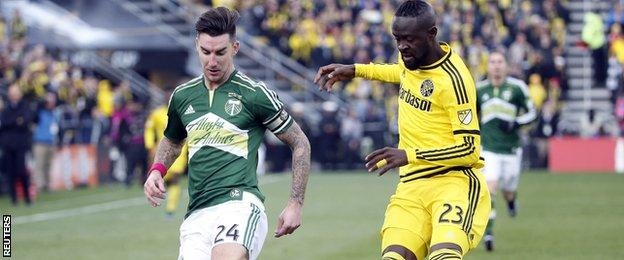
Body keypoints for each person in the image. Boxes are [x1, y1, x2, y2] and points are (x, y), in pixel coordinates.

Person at [314, 1, 490, 259]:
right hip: (412, 186)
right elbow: (401, 73)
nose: (401, 46)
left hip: (454, 182)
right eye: (397, 39)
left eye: (409, 39)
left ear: (431, 34)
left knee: (444, 256)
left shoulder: (454, 81)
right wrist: (356, 70)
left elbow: (470, 150)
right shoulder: (411, 58)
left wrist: (409, 155)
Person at [143, 7, 311, 260]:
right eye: (205, 52)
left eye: (220, 52)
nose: (212, 61)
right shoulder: (182, 96)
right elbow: (173, 140)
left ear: (235, 48)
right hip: (197, 212)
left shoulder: (254, 94)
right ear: (196, 46)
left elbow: (300, 143)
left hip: (239, 204)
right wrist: (157, 169)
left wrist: (295, 203)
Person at [476, 51, 536, 251]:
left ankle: (511, 202)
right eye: (492, 62)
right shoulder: (479, 90)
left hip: (511, 149)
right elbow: (468, 114)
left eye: (500, 62)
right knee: (490, 188)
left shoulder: (517, 88)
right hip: (488, 148)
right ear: (488, 66)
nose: (496, 66)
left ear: (506, 66)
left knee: (508, 190)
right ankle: (489, 235)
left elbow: (532, 114)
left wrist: (515, 123)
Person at [144, 92, 188, 218]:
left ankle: (170, 209)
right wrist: (149, 145)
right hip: (162, 151)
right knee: (163, 179)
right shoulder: (156, 113)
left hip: (181, 150)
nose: (168, 97)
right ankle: (168, 193)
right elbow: (149, 129)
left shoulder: (182, 110)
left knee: (175, 179)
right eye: (166, 95)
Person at [0, 84, 35, 205]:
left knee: (21, 171)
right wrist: (16, 121)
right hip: (8, 145)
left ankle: (27, 197)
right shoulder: (6, 107)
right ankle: (13, 198)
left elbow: (25, 121)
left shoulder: (24, 106)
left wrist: (14, 122)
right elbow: (4, 122)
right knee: (11, 172)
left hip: (20, 144)